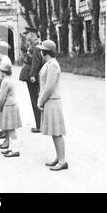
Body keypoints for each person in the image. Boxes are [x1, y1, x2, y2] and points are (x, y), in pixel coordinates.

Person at [36, 40, 68, 171]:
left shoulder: (52, 65)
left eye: (42, 50)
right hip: (51, 101)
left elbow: (49, 87)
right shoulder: (48, 64)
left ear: (45, 52)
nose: (40, 52)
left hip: (52, 101)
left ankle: (62, 161)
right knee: (54, 132)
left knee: (57, 132)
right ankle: (59, 157)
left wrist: (40, 101)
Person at [19, 27, 43, 133]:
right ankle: (40, 124)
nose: (26, 36)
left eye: (27, 34)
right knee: (35, 100)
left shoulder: (36, 44)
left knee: (35, 100)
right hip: (32, 75)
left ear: (32, 34)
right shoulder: (34, 44)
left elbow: (36, 62)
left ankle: (40, 125)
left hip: (32, 76)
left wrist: (33, 75)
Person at [0, 59, 22, 158]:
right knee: (10, 128)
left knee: (11, 129)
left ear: (3, 71)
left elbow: (2, 97)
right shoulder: (9, 79)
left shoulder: (5, 81)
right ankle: (11, 148)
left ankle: (15, 150)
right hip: (12, 105)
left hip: (9, 106)